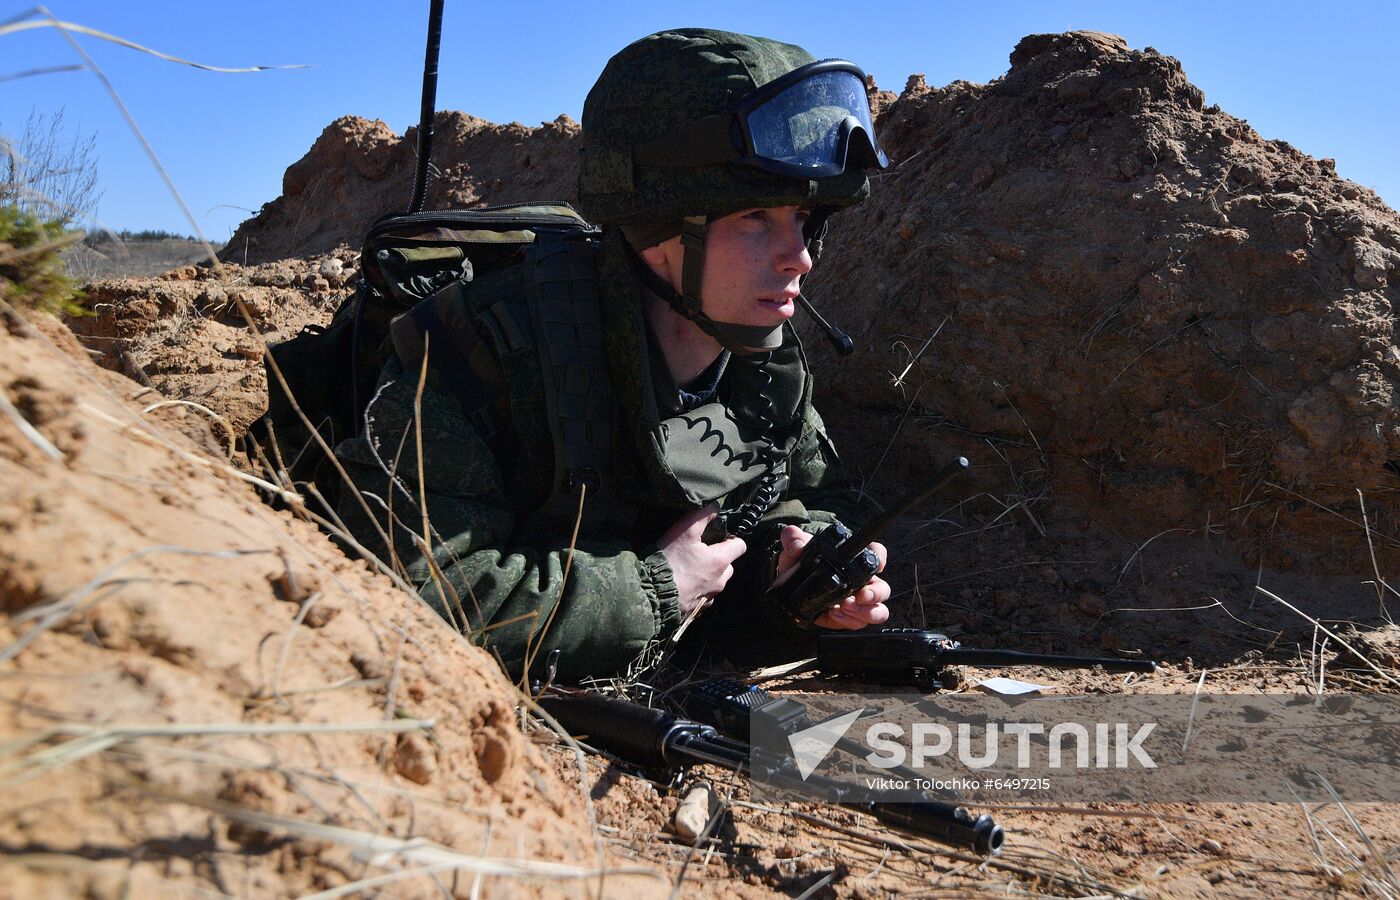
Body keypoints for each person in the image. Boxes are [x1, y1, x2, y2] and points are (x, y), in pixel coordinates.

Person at [333, 28, 893, 682]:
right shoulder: (482, 352)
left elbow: (813, 498)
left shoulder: (761, 362)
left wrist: (803, 573)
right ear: (662, 223)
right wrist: (653, 589)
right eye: (755, 219)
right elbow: (409, 595)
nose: (797, 255)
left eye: (803, 217)